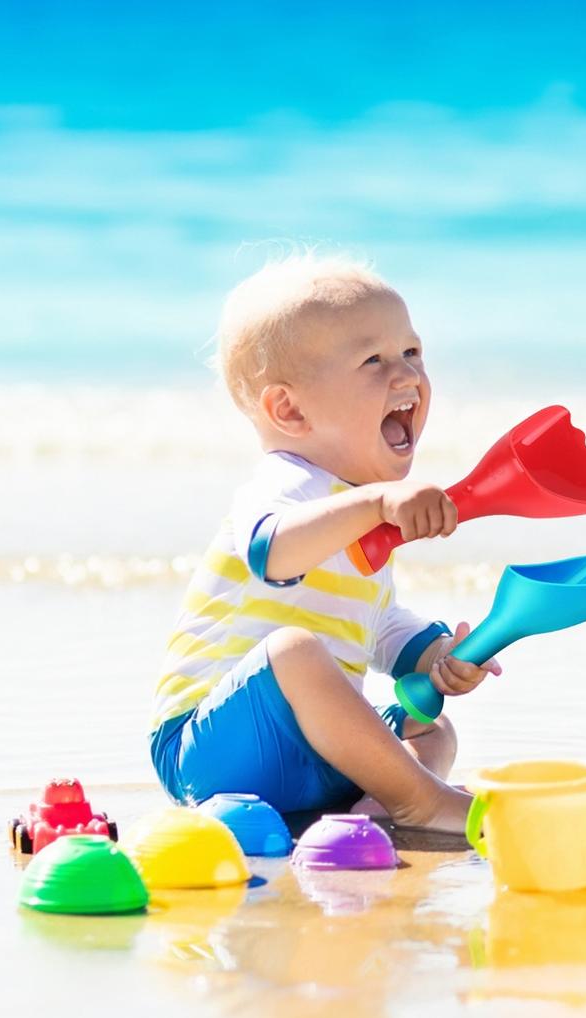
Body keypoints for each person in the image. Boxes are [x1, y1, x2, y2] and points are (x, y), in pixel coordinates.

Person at [149, 252, 500, 833]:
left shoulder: (352, 507)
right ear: (290, 410)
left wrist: (439, 657)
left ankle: (384, 799)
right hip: (206, 749)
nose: (407, 375)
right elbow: (271, 553)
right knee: (294, 651)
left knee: (430, 724)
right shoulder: (286, 483)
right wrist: (376, 503)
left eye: (412, 352)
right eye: (373, 360)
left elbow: (375, 623)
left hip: (308, 753)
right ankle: (421, 801)